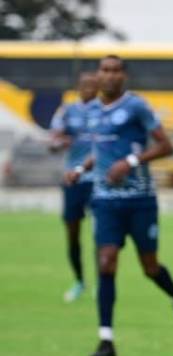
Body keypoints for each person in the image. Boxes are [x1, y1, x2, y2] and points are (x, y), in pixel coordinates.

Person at [65, 55, 173, 356]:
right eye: (104, 70)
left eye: (115, 71)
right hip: (105, 201)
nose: (109, 76)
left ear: (124, 76)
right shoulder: (93, 112)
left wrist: (132, 162)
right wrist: (80, 170)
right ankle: (106, 340)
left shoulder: (136, 107)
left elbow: (166, 146)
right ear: (98, 75)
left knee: (150, 268)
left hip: (140, 200)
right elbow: (100, 152)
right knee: (106, 261)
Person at [49, 71, 99, 303]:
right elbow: (54, 142)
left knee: (102, 233)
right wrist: (60, 143)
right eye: (85, 85)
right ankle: (79, 280)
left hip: (98, 180)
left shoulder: (104, 110)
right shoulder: (67, 111)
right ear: (78, 87)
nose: (88, 89)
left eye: (92, 85)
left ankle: (102, 281)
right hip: (74, 180)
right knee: (72, 232)